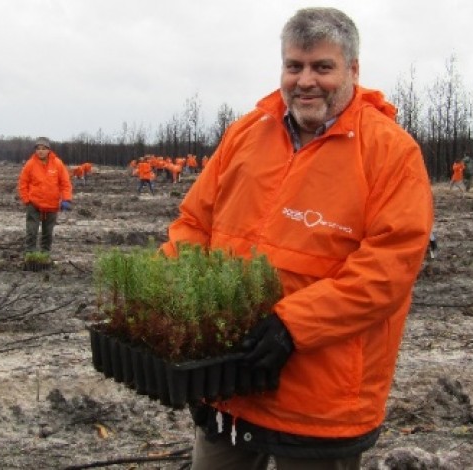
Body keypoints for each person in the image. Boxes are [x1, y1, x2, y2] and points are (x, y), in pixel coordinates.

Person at [160, 8, 433, 469]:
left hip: (320, 400)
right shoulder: (247, 133)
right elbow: (194, 223)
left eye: (322, 67)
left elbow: (388, 270)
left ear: (353, 70)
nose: (305, 80)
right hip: (228, 380)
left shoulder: (391, 152)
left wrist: (294, 325)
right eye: (294, 66)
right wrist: (173, 294)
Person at [18, 137, 73, 255]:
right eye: (38, 148)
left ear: (49, 150)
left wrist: (66, 199)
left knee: (47, 232)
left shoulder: (57, 163)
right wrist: (26, 200)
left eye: (43, 148)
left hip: (52, 205)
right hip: (34, 204)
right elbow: (23, 183)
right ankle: (30, 254)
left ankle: (45, 254)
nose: (40, 151)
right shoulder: (30, 164)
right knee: (31, 231)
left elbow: (65, 183)